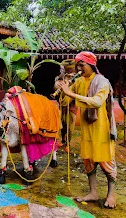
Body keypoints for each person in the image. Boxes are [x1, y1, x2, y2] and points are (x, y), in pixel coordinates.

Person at [58, 51, 117, 208]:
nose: (79, 68)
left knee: (105, 160)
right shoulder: (80, 81)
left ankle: (111, 195)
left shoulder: (102, 81)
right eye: (78, 65)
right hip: (87, 127)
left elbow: (97, 102)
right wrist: (63, 90)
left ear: (91, 65)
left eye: (82, 65)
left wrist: (70, 93)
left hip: (102, 128)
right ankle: (93, 192)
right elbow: (66, 101)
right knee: (88, 160)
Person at [54, 59, 78, 152]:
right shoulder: (60, 78)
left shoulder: (77, 78)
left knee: (70, 125)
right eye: (67, 69)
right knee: (62, 124)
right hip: (62, 105)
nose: (69, 71)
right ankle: (63, 141)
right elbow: (55, 88)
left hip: (72, 105)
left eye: (71, 69)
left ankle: (68, 143)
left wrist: (72, 82)